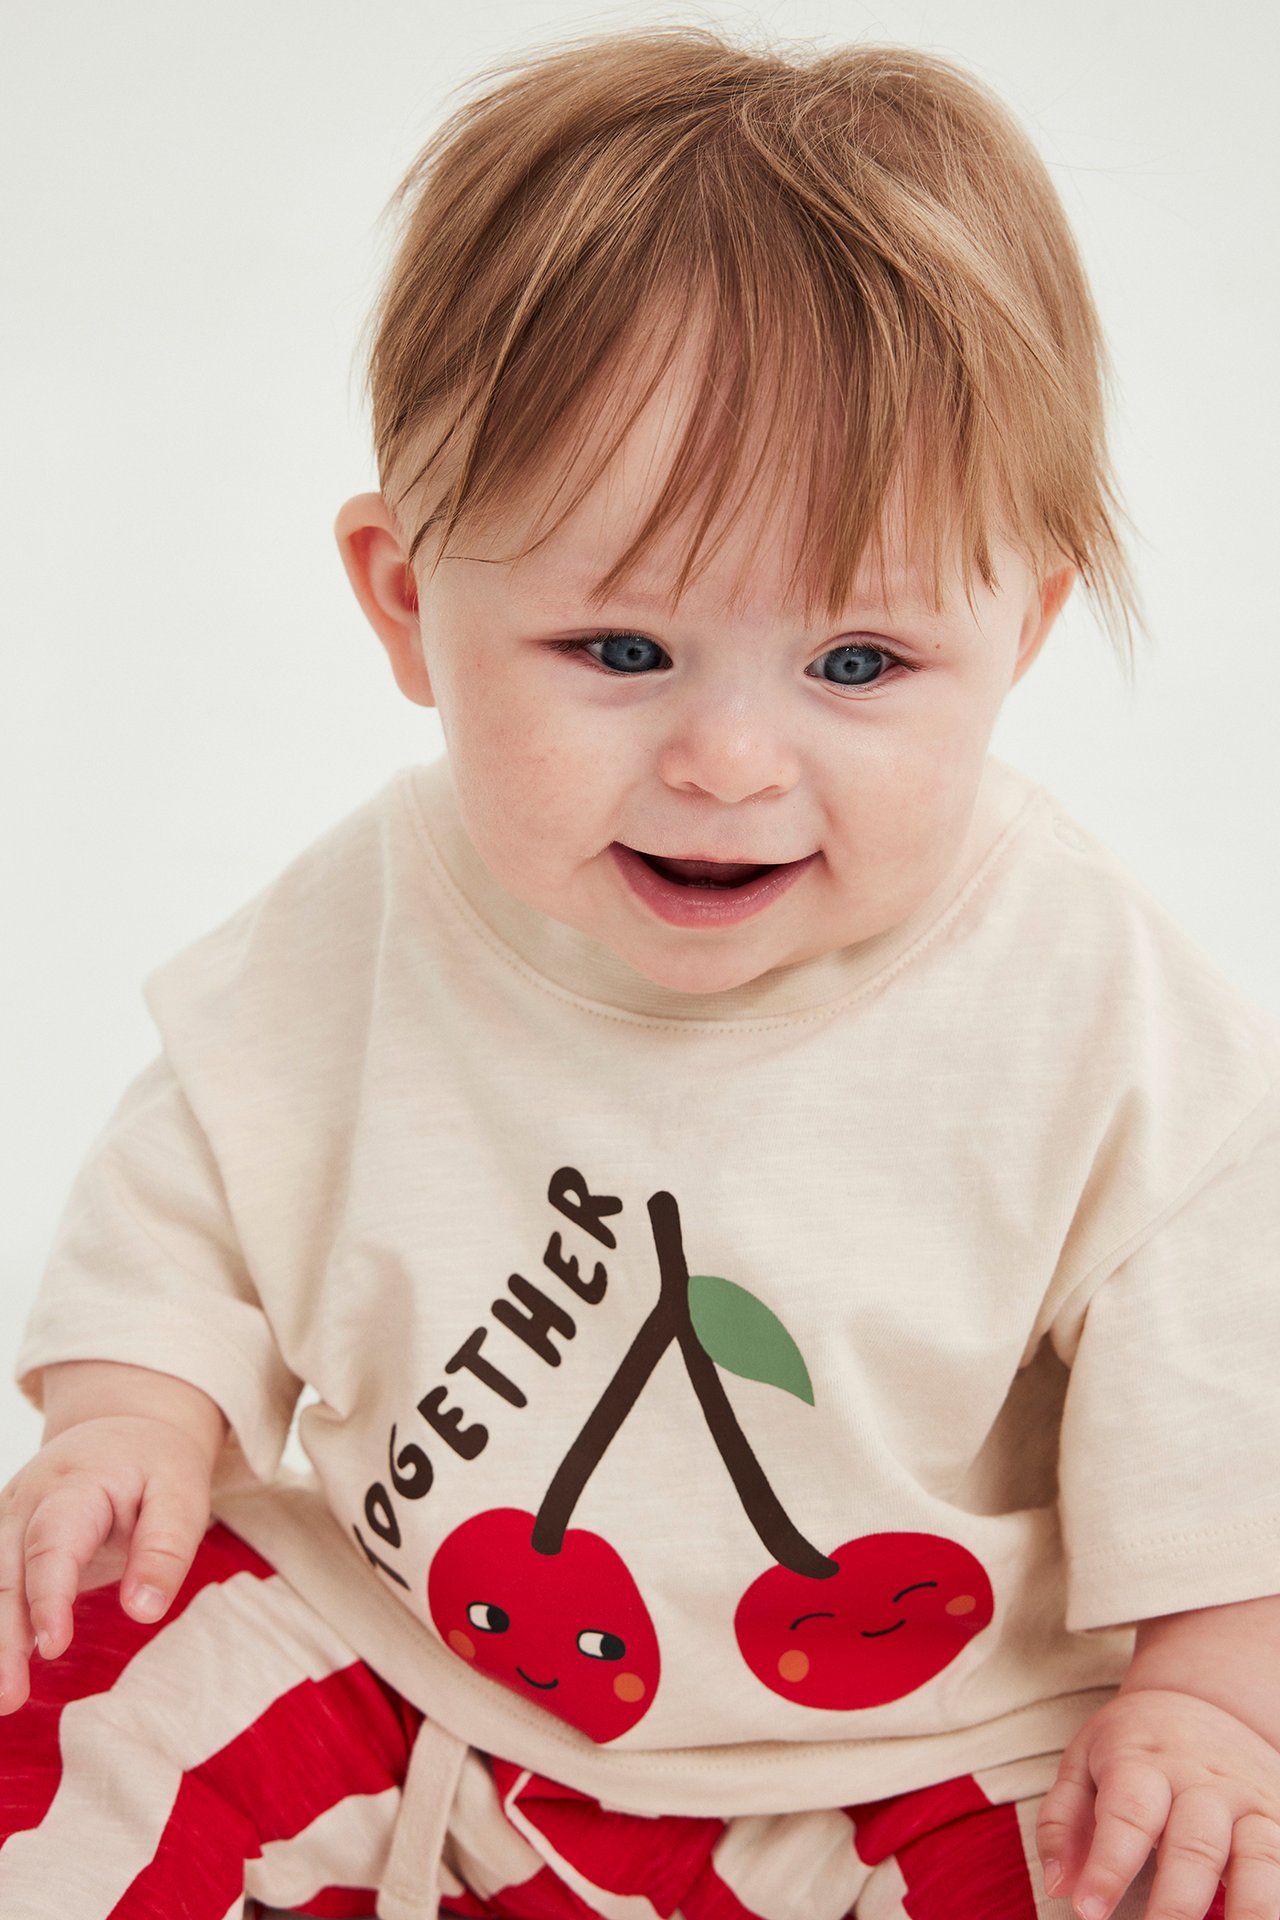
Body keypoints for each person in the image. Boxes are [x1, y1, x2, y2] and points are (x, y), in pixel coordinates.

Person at [2, 22, 1278, 1920]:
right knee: (77, 1666)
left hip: (913, 1757)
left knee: (1172, 1846)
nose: (731, 763)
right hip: (410, 1676)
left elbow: (1226, 1396)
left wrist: (1213, 1694)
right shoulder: (373, 907)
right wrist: (135, 1412)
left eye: (859, 665)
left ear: (1021, 625)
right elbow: (202, 1173)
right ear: (410, 602)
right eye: (620, 649)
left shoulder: (1096, 1006)